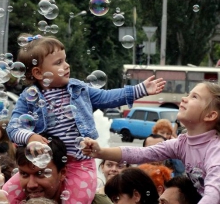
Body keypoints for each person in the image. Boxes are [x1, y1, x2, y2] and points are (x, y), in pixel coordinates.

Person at [5, 34, 166, 204]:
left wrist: (139, 89)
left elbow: (107, 97)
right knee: (5, 196)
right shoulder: (28, 97)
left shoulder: (78, 89)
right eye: (58, 63)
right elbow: (13, 127)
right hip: (44, 165)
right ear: (38, 72)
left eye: (65, 60)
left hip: (79, 163)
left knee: (76, 201)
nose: (66, 66)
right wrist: (30, 137)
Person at [82, 82, 220, 204]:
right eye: (189, 95)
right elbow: (142, 153)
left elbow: (214, 193)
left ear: (210, 115)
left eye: (194, 97)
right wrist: (101, 152)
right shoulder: (182, 143)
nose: (184, 98)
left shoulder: (216, 150)